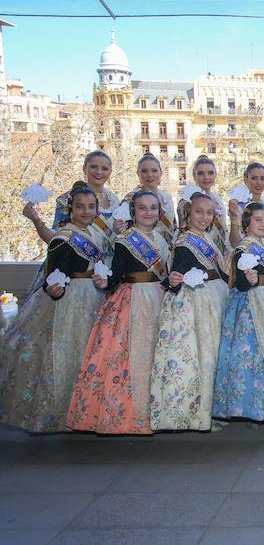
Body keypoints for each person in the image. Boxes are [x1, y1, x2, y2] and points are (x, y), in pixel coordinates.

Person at [0, 183, 106, 432]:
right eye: (80, 207)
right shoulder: (63, 238)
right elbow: (54, 275)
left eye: (91, 207)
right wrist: (53, 290)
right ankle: (65, 411)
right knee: (66, 352)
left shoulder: (97, 234)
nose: (86, 211)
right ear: (71, 209)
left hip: (93, 296)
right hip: (71, 301)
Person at [67, 191, 169, 434]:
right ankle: (129, 416)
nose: (148, 212)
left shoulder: (163, 240)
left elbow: (165, 273)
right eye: (142, 208)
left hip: (158, 297)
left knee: (156, 355)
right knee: (128, 355)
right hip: (130, 300)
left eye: (153, 208)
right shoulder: (123, 240)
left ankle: (157, 412)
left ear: (159, 212)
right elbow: (116, 273)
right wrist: (106, 284)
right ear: (133, 212)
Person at [149, 192, 229, 431]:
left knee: (214, 355)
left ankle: (214, 409)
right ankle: (198, 413)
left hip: (215, 296)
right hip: (194, 304)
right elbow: (174, 277)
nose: (204, 217)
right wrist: (173, 280)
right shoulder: (183, 242)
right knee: (201, 356)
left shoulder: (209, 238)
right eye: (199, 211)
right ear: (188, 213)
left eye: (209, 212)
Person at [213, 202, 264, 422]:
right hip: (252, 304)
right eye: (257, 220)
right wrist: (249, 280)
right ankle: (251, 407)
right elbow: (240, 283)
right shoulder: (243, 247)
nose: (263, 224)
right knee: (253, 355)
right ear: (247, 223)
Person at [22, 151, 120, 295]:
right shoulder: (67, 199)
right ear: (84, 168)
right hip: (75, 271)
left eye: (104, 168)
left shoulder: (115, 200)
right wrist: (36, 221)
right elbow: (56, 239)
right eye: (94, 167)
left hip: (105, 271)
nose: (99, 172)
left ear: (110, 172)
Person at [178, 155, 228, 255]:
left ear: (215, 174)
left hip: (219, 252)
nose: (206, 177)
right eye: (201, 173)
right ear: (194, 175)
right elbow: (184, 231)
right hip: (197, 253)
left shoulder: (217, 199)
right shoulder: (187, 201)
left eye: (210, 173)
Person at [122, 153, 176, 244]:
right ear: (138, 174)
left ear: (161, 172)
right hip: (143, 248)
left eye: (154, 170)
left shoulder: (167, 197)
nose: (150, 175)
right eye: (144, 171)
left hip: (167, 250)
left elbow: (173, 227)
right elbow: (126, 230)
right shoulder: (131, 198)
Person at [228, 162, 264, 249]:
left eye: (262, 178)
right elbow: (234, 242)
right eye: (254, 178)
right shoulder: (238, 205)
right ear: (246, 180)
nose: (258, 182)